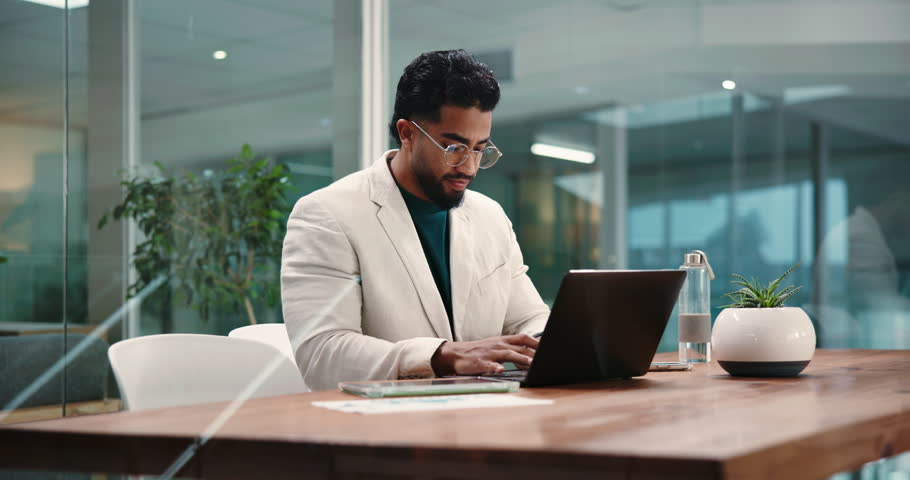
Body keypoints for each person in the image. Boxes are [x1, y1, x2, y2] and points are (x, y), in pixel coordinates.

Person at [280, 50, 550, 390]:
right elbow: (321, 354)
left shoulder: (489, 215)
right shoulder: (327, 214)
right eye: (454, 148)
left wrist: (556, 344)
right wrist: (440, 356)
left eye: (480, 149)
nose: (468, 167)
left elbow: (528, 318)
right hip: (386, 427)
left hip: (486, 414)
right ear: (407, 133)